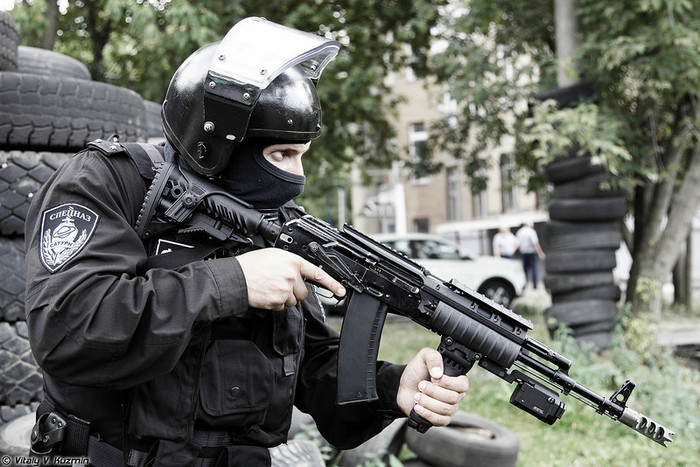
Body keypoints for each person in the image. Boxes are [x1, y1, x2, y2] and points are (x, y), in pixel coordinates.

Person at [24, 17, 469, 467]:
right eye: (282, 154)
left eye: (301, 155)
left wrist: (392, 387)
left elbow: (308, 363)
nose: (297, 177)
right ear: (216, 145)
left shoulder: (275, 222)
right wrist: (232, 282)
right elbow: (66, 331)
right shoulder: (109, 183)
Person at [516, 222, 546, 288]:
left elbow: (517, 244)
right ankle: (535, 286)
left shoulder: (519, 232)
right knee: (534, 269)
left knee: (524, 270)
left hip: (523, 253)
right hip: (531, 252)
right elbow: (535, 243)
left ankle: (524, 285)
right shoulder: (531, 232)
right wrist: (540, 253)